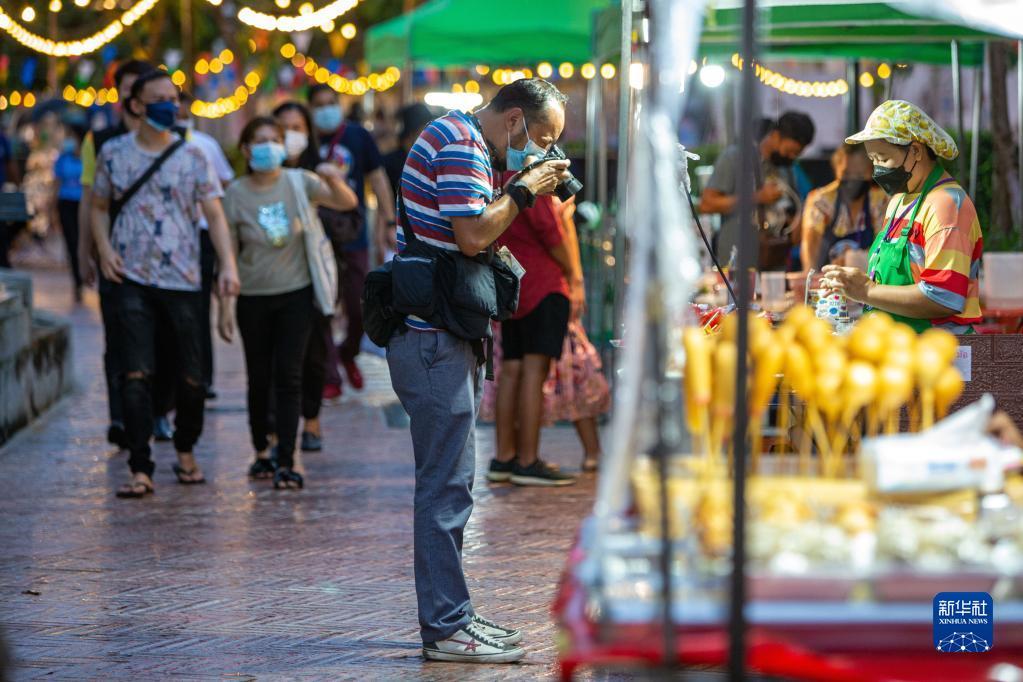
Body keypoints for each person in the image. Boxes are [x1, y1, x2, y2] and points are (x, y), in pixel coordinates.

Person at [389, 77, 571, 663]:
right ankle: (445, 627)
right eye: (541, 140)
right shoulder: (464, 145)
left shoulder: (461, 137)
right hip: (431, 337)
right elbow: (471, 237)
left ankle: (455, 613)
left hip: (440, 333)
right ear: (514, 120)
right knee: (444, 488)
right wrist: (521, 192)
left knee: (453, 484)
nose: (541, 155)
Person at [90, 69, 240, 498]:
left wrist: (228, 265)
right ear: (135, 105)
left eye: (173, 98)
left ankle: (185, 448)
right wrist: (102, 249)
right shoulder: (113, 154)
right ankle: (141, 466)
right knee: (135, 373)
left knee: (192, 377)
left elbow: (214, 215)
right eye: (158, 98)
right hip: (130, 276)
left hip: (185, 278)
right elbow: (99, 206)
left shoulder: (194, 156)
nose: (169, 106)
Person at [218, 117, 356, 489]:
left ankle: (287, 459)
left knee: (290, 376)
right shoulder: (234, 193)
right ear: (246, 150)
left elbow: (347, 202)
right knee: (259, 376)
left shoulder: (300, 181)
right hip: (252, 296)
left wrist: (332, 177)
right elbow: (227, 251)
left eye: (275, 140)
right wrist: (224, 306)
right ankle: (262, 449)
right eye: (259, 141)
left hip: (297, 293)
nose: (268, 147)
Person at [821, 100, 983, 334]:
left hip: (937, 353)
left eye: (884, 159)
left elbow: (945, 297)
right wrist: (852, 283)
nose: (877, 170)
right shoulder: (899, 200)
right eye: (873, 159)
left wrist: (867, 291)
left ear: (915, 151)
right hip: (898, 347)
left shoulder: (947, 205)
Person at [77, 58, 153, 451]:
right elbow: (90, 200)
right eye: (128, 90)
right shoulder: (101, 142)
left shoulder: (175, 140)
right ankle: (121, 418)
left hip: (163, 266)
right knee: (118, 342)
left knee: (158, 342)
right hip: (115, 260)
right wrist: (86, 251)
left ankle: (154, 414)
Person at [487, 187, 580, 487]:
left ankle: (504, 457)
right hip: (543, 283)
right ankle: (527, 460)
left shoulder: (497, 172)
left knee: (512, 370)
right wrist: (574, 275)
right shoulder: (531, 174)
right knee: (533, 372)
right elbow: (549, 231)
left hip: (514, 282)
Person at [308, 84, 395, 399]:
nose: (327, 109)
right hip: (315, 238)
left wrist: (388, 220)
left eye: (332, 103)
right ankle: (330, 372)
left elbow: (378, 178)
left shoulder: (358, 136)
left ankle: (348, 353)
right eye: (319, 105)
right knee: (323, 308)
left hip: (353, 234)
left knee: (359, 306)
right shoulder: (303, 139)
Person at [274, 101, 331, 453]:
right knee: (278, 355)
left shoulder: (320, 171)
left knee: (314, 352)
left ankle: (311, 420)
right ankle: (275, 429)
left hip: (316, 274)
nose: (291, 137)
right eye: (284, 130)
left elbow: (348, 207)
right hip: (273, 276)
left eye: (298, 128)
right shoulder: (261, 175)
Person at [700, 111, 815, 269]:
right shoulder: (735, 158)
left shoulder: (787, 168)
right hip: (738, 263)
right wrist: (756, 197)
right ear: (775, 136)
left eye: (797, 154)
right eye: (789, 151)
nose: (791, 157)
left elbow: (793, 214)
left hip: (774, 262)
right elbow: (707, 204)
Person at [177, 91, 235, 400]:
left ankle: (202, 377)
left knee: (199, 309)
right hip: (167, 240)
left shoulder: (204, 145)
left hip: (200, 236)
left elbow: (224, 183)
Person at [54, 123, 85, 301]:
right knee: (72, 243)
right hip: (66, 203)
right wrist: (52, 210)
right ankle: (77, 281)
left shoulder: (90, 158)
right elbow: (56, 183)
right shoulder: (63, 158)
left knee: (83, 242)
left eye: (71, 136)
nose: (69, 140)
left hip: (83, 205)